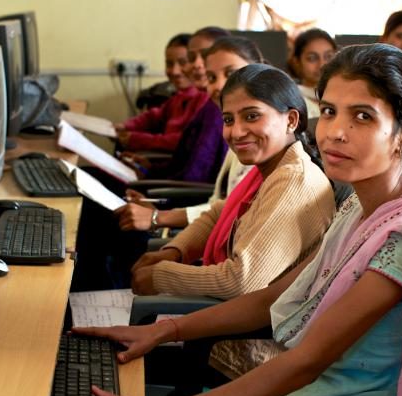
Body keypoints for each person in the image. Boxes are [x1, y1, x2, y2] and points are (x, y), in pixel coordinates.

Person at [67, 44, 402, 396]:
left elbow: (307, 361)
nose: (335, 132)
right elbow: (272, 298)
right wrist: (163, 330)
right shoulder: (359, 210)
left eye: (362, 116)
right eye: (330, 110)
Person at [129, 63, 336, 300]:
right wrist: (176, 251)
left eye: (251, 116)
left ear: (290, 120)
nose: (236, 132)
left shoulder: (293, 181)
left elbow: (242, 281)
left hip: (260, 331)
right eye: (228, 120)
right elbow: (221, 212)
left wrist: (161, 275)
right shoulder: (270, 167)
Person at [116, 36, 264, 233]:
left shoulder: (255, 136)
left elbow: (230, 211)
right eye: (211, 78)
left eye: (231, 73)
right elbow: (218, 204)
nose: (219, 85)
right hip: (204, 226)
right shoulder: (232, 127)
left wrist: (159, 216)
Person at [114, 33, 209, 152]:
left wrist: (136, 139)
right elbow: (155, 116)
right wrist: (125, 126)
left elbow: (184, 141)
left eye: (183, 62)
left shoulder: (205, 100)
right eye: (169, 64)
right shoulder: (179, 96)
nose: (175, 71)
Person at [289, 28, 338, 118]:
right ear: (297, 62)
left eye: (329, 56)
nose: (322, 64)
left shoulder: (345, 97)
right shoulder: (291, 101)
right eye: (312, 58)